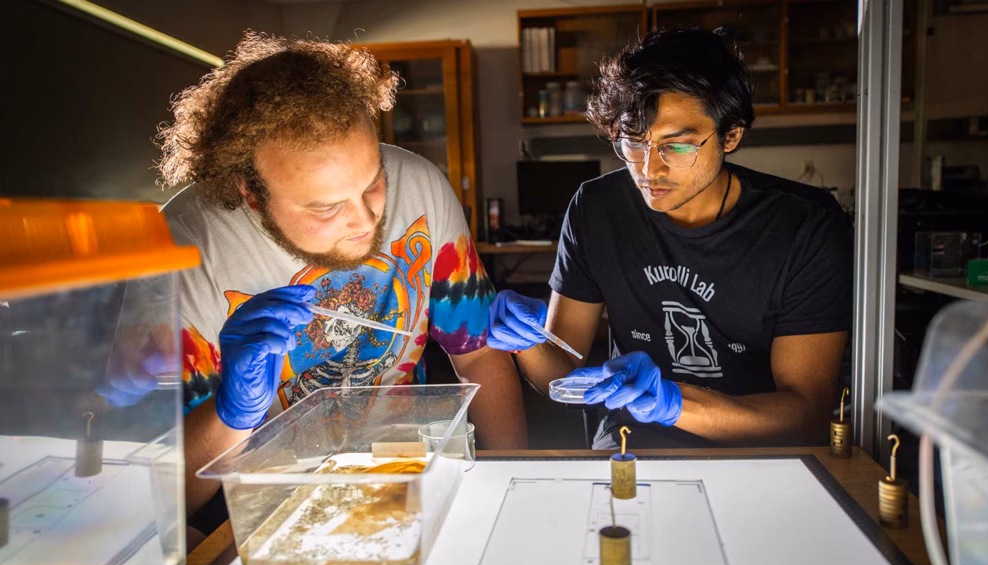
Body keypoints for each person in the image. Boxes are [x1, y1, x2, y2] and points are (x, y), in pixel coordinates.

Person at [155, 32, 527, 516]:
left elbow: (477, 356)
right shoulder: (184, 248)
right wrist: (233, 412)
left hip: (408, 471)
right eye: (327, 207)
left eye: (373, 183)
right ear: (251, 193)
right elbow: (166, 498)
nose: (365, 220)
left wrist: (512, 482)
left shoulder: (421, 184)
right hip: (264, 501)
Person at [487, 27, 852, 449]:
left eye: (677, 147)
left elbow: (805, 412)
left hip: (760, 445)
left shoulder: (803, 226)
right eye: (634, 143)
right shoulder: (597, 209)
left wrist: (674, 403)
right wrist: (526, 343)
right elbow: (560, 371)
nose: (649, 169)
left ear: (731, 135)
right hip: (632, 439)